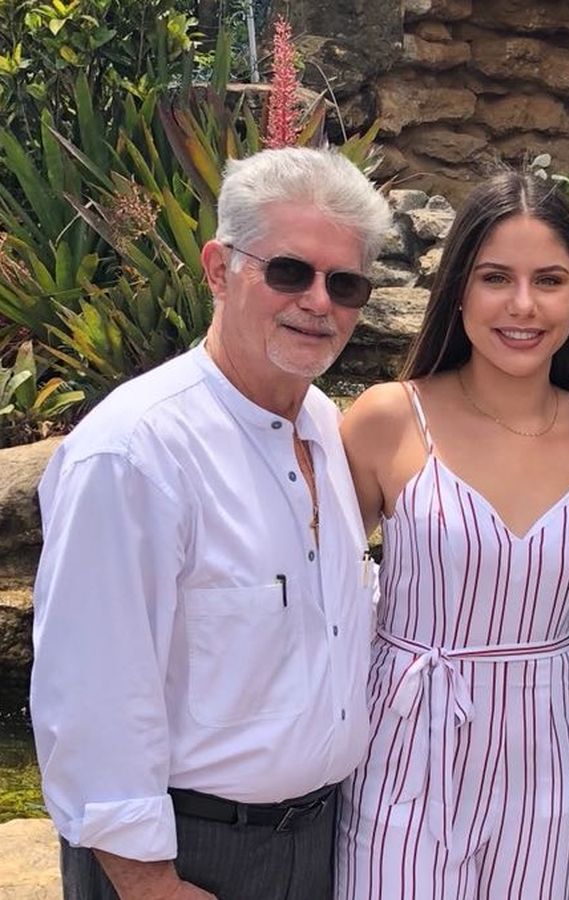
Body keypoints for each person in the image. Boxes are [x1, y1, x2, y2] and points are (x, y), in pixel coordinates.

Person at [31, 147, 393, 900]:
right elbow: (90, 690)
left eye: (345, 283)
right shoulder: (135, 452)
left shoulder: (323, 427)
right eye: (289, 271)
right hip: (183, 856)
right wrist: (147, 881)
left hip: (320, 842)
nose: (318, 302)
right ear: (219, 269)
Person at [334, 172, 569, 898]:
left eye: (549, 280)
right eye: (496, 278)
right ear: (458, 289)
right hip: (405, 748)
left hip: (545, 762)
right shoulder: (388, 419)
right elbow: (317, 583)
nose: (523, 305)